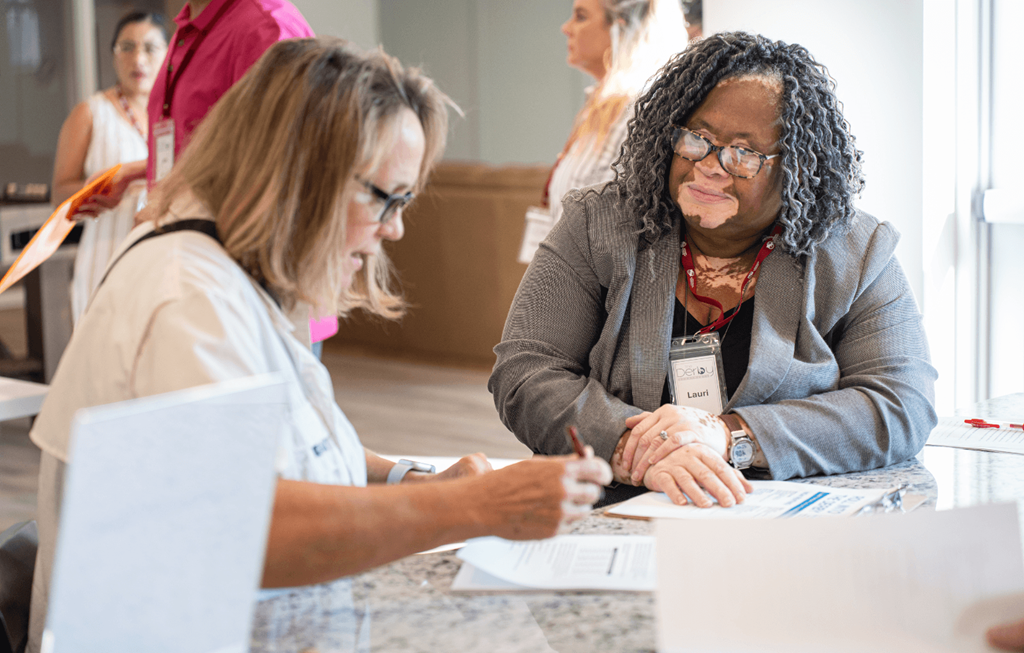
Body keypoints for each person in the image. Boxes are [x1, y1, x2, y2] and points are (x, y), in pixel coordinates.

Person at [26, 38, 611, 652]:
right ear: (299, 174)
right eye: (386, 197)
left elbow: (291, 440)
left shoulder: (234, 274)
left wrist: (409, 481)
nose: (396, 227)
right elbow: (246, 531)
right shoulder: (185, 297)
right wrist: (476, 505)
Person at [490, 31, 937, 508]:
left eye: (744, 153)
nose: (710, 166)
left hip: (781, 515)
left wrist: (727, 437)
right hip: (620, 505)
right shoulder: (597, 225)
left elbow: (900, 403)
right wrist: (638, 449)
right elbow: (526, 372)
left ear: (797, 170)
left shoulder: (855, 250)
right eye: (697, 138)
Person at [518, 0, 687, 263]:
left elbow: (622, 229)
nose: (566, 28)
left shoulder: (639, 114)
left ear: (620, 29)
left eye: (581, 16)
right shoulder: (600, 107)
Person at [51, 11, 167, 325]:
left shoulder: (175, 112)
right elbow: (59, 191)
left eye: (149, 47)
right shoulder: (91, 112)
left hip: (165, 256)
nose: (138, 58)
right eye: (126, 47)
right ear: (113, 55)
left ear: (169, 53)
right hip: (106, 251)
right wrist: (104, 185)